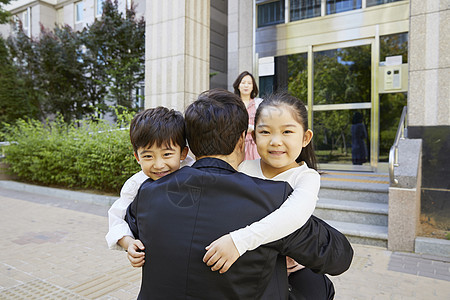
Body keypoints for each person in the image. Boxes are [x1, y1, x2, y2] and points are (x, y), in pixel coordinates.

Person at [126, 89, 353, 299]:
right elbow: (339, 257)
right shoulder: (272, 200)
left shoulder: (146, 194)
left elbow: (125, 225)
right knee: (317, 285)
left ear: (190, 147)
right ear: (242, 140)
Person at [203, 92, 334, 299]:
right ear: (253, 137)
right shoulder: (243, 168)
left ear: (305, 137)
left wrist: (238, 241)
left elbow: (294, 215)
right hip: (249, 264)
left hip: (293, 268)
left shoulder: (306, 177)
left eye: (287, 132)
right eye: (265, 132)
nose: (275, 141)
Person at [105, 107, 193, 263]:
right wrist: (129, 243)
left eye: (167, 154)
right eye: (148, 156)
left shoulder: (194, 173)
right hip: (158, 259)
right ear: (137, 157)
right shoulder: (136, 184)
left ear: (183, 153)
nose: (159, 165)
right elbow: (117, 218)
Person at [233, 71, 262, 160]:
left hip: (255, 144)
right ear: (238, 85)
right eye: (243, 83)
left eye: (249, 83)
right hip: (237, 144)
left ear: (253, 86)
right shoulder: (232, 104)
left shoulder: (259, 103)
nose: (246, 85)